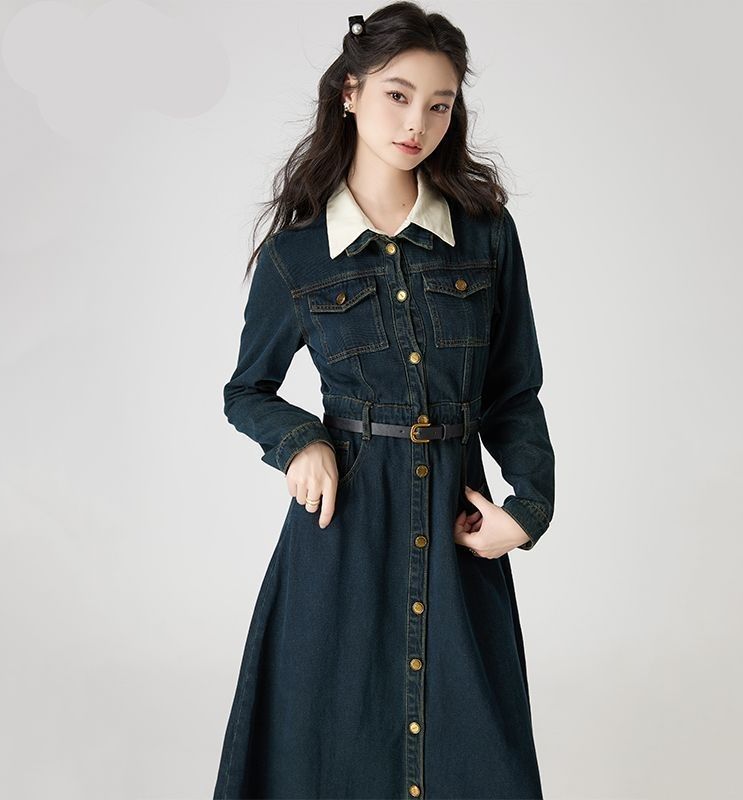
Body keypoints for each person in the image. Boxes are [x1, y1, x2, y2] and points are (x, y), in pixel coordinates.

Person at [213, 3, 555, 798]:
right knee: (332, 743)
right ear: (351, 92)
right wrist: (301, 441)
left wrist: (529, 508)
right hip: (344, 537)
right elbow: (246, 389)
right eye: (398, 96)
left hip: (457, 530)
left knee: (477, 750)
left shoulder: (485, 235)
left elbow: (514, 391)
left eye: (439, 105)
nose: (416, 123)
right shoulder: (298, 255)